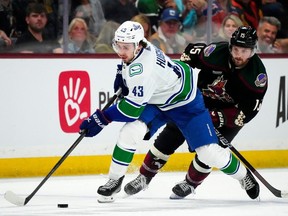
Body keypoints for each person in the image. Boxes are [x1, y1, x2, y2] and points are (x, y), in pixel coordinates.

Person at [79, 22, 261, 203]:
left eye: (125, 47)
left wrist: (101, 118)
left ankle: (243, 176)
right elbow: (190, 53)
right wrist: (121, 74)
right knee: (131, 131)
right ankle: (114, 180)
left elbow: (131, 109)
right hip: (159, 99)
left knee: (208, 153)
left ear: (138, 44)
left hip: (187, 103)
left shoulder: (143, 70)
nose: (120, 51)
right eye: (118, 46)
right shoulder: (139, 48)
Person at [124, 26, 267, 200]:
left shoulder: (257, 76)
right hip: (198, 103)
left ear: (253, 51)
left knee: (211, 152)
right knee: (171, 133)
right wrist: (181, 75)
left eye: (244, 51)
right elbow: (191, 52)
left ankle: (191, 184)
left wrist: (217, 117)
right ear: (230, 47)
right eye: (236, 49)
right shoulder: (215, 52)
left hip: (227, 115)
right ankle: (144, 177)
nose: (238, 55)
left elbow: (248, 112)